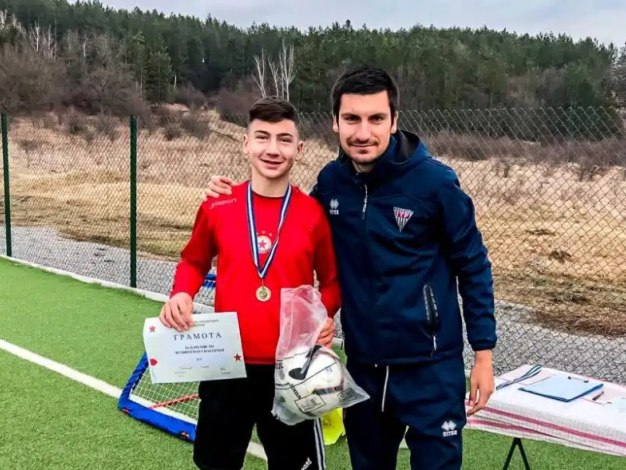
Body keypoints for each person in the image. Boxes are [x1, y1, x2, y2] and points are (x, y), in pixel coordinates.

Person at [203, 66, 497, 470]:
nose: (363, 132)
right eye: (352, 119)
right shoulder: (332, 182)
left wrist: (483, 355)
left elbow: (474, 267)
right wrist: (232, 198)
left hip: (430, 368)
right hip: (363, 366)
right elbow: (289, 223)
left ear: (394, 120)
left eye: (376, 118)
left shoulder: (436, 184)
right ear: (335, 123)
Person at [159, 96, 340, 470]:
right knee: (216, 463)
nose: (272, 149)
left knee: (293, 464)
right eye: (262, 137)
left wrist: (325, 314)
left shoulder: (312, 214)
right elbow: (193, 260)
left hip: (291, 367)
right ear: (245, 144)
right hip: (226, 364)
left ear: (299, 149)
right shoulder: (218, 205)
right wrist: (181, 293)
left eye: (284, 139)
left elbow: (332, 281)